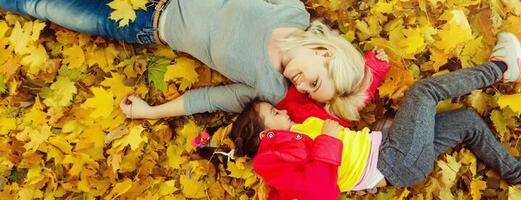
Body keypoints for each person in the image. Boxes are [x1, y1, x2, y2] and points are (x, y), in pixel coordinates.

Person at [197, 32, 521, 200]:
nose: (281, 111)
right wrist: (328, 142)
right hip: (394, 159)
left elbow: (343, 104)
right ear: (265, 133)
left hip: (394, 151)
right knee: (423, 92)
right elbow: (321, 192)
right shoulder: (274, 158)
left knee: (466, 122)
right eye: (273, 113)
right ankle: (502, 68)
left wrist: (371, 70)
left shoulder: (297, 124)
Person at [0, 0, 372, 121]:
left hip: (149, 22)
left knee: (47, 5)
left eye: (308, 92)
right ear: (325, 54)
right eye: (315, 82)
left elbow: (209, 98)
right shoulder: (291, 12)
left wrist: (149, 112)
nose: (301, 86)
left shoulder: (269, 87)